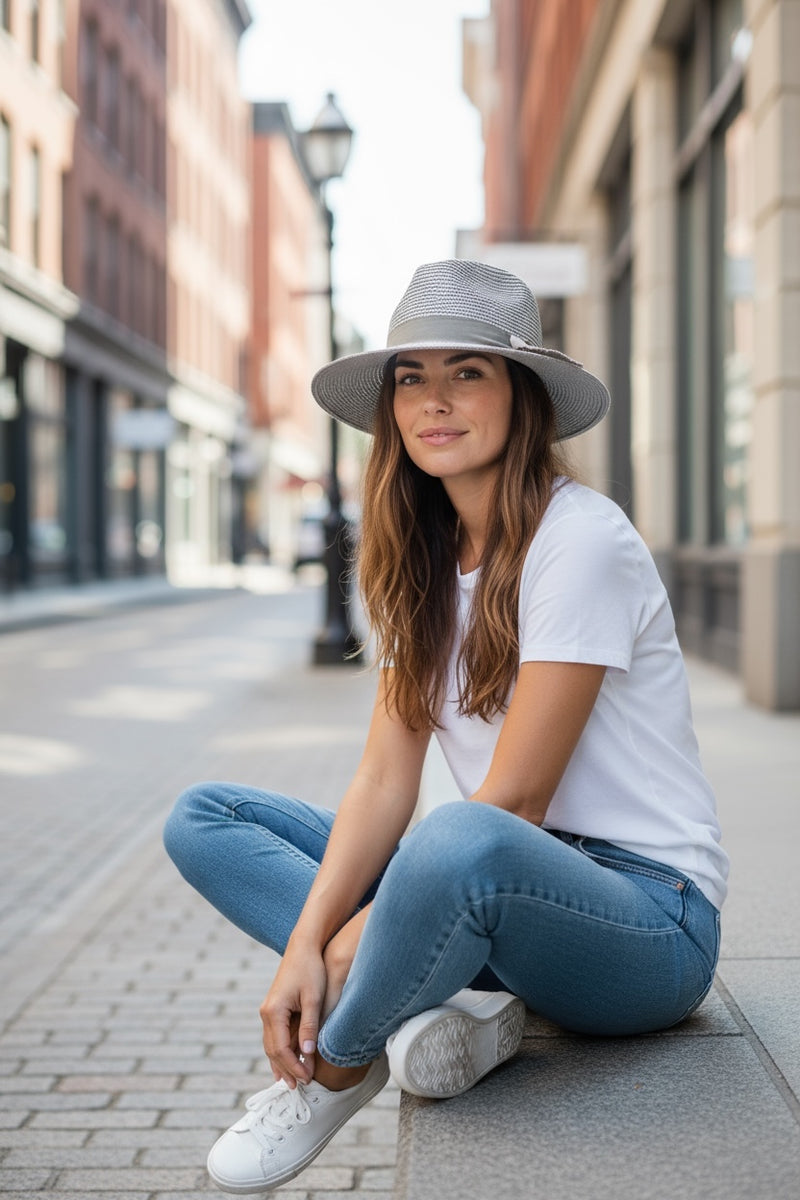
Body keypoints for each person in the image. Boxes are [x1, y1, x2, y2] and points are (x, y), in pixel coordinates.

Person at [164, 259, 728, 1195]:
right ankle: (445, 993)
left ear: (523, 396)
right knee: (207, 816)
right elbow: (385, 778)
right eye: (411, 377)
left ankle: (337, 1068)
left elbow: (517, 800)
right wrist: (307, 940)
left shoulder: (578, 540)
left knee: (460, 833)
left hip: (648, 923)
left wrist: (354, 944)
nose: (436, 399)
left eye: (468, 371)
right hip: (499, 889)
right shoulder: (417, 557)